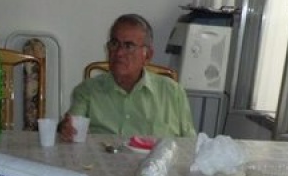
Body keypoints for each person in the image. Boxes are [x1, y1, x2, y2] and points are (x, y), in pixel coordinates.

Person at [59, 14, 196, 142]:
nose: (119, 53)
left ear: (147, 56)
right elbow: (70, 129)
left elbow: (190, 147)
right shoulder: (87, 91)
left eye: (129, 46)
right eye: (114, 43)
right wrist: (64, 129)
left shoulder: (173, 92)